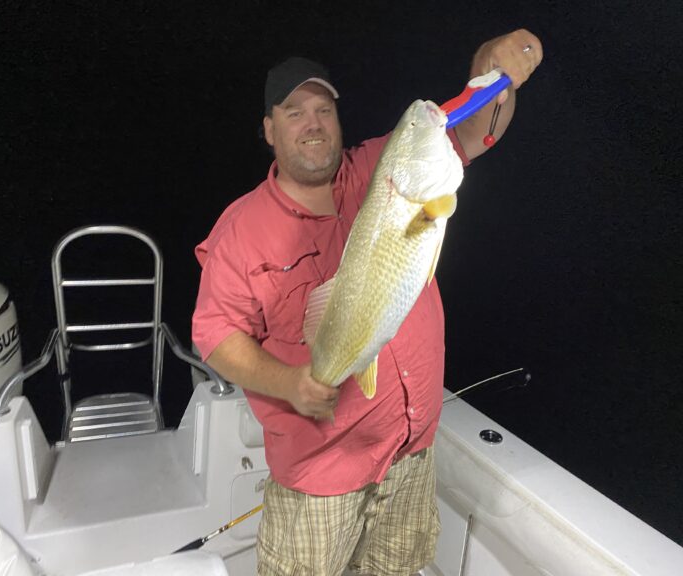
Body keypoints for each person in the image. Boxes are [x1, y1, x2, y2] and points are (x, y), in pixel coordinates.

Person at [192, 29, 543, 576]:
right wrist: (292, 383)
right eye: (294, 113)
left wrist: (493, 72)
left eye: (324, 110)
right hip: (319, 477)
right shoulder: (242, 229)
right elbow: (214, 335)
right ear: (269, 130)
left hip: (411, 455)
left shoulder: (382, 168)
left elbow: (475, 129)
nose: (313, 123)